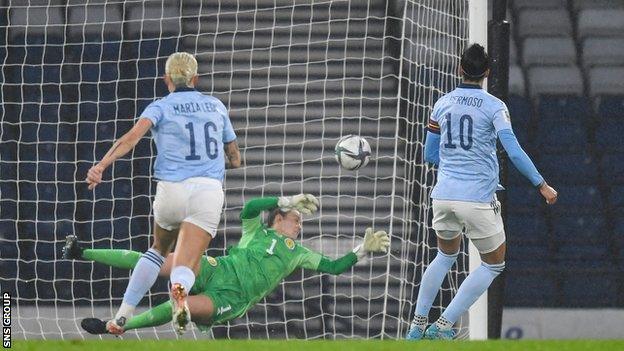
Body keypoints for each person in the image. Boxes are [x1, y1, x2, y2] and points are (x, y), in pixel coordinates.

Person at [64, 194, 390, 335]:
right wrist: (285, 200)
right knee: (161, 259)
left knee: (186, 305)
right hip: (219, 268)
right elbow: (249, 208)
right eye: (294, 219)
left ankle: (120, 326)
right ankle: (82, 252)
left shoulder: (299, 253)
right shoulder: (255, 231)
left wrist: (361, 249)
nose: (299, 224)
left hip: (232, 298)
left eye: (300, 222)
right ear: (278, 219)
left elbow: (333, 267)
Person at [405, 44, 558, 340]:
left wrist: (455, 163)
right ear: (487, 72)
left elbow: (430, 154)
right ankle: (444, 325)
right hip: (476, 198)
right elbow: (513, 152)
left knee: (444, 256)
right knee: (493, 263)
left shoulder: (442, 104)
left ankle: (417, 324)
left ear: (459, 69)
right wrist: (541, 184)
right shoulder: (494, 106)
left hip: (444, 195)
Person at [84, 52, 241, 334]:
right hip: (207, 191)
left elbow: (130, 138)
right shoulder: (216, 105)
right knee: (187, 262)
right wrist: (229, 161)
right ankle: (179, 295)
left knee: (158, 250)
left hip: (172, 190)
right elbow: (234, 155)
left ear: (166, 79)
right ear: (196, 78)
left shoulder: (160, 106)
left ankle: (122, 316)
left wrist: (101, 166)